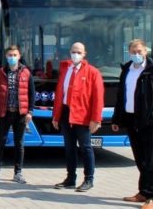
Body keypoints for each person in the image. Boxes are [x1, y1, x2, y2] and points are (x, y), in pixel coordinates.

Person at [112, 39, 153, 209]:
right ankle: (143, 192)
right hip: (132, 120)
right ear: (128, 52)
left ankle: (152, 197)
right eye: (133, 51)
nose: (136, 54)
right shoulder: (126, 69)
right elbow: (121, 96)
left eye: (139, 51)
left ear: (146, 51)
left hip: (150, 122)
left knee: (151, 161)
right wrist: (117, 119)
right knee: (140, 160)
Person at [52, 42, 104, 192]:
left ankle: (89, 179)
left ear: (84, 54)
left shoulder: (93, 72)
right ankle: (70, 179)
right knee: (69, 148)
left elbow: (98, 98)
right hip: (66, 114)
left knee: (86, 148)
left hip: (83, 116)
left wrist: (96, 119)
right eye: (74, 51)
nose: (76, 54)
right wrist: (56, 116)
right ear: (70, 52)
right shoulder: (65, 70)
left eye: (79, 52)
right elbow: (59, 95)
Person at [0, 45, 35, 185]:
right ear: (6, 56)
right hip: (4, 113)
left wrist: (30, 111)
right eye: (10, 55)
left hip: (20, 113)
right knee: (0, 144)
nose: (12, 57)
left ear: (19, 56)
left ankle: (18, 173)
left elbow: (31, 93)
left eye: (14, 55)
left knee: (19, 144)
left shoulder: (26, 73)